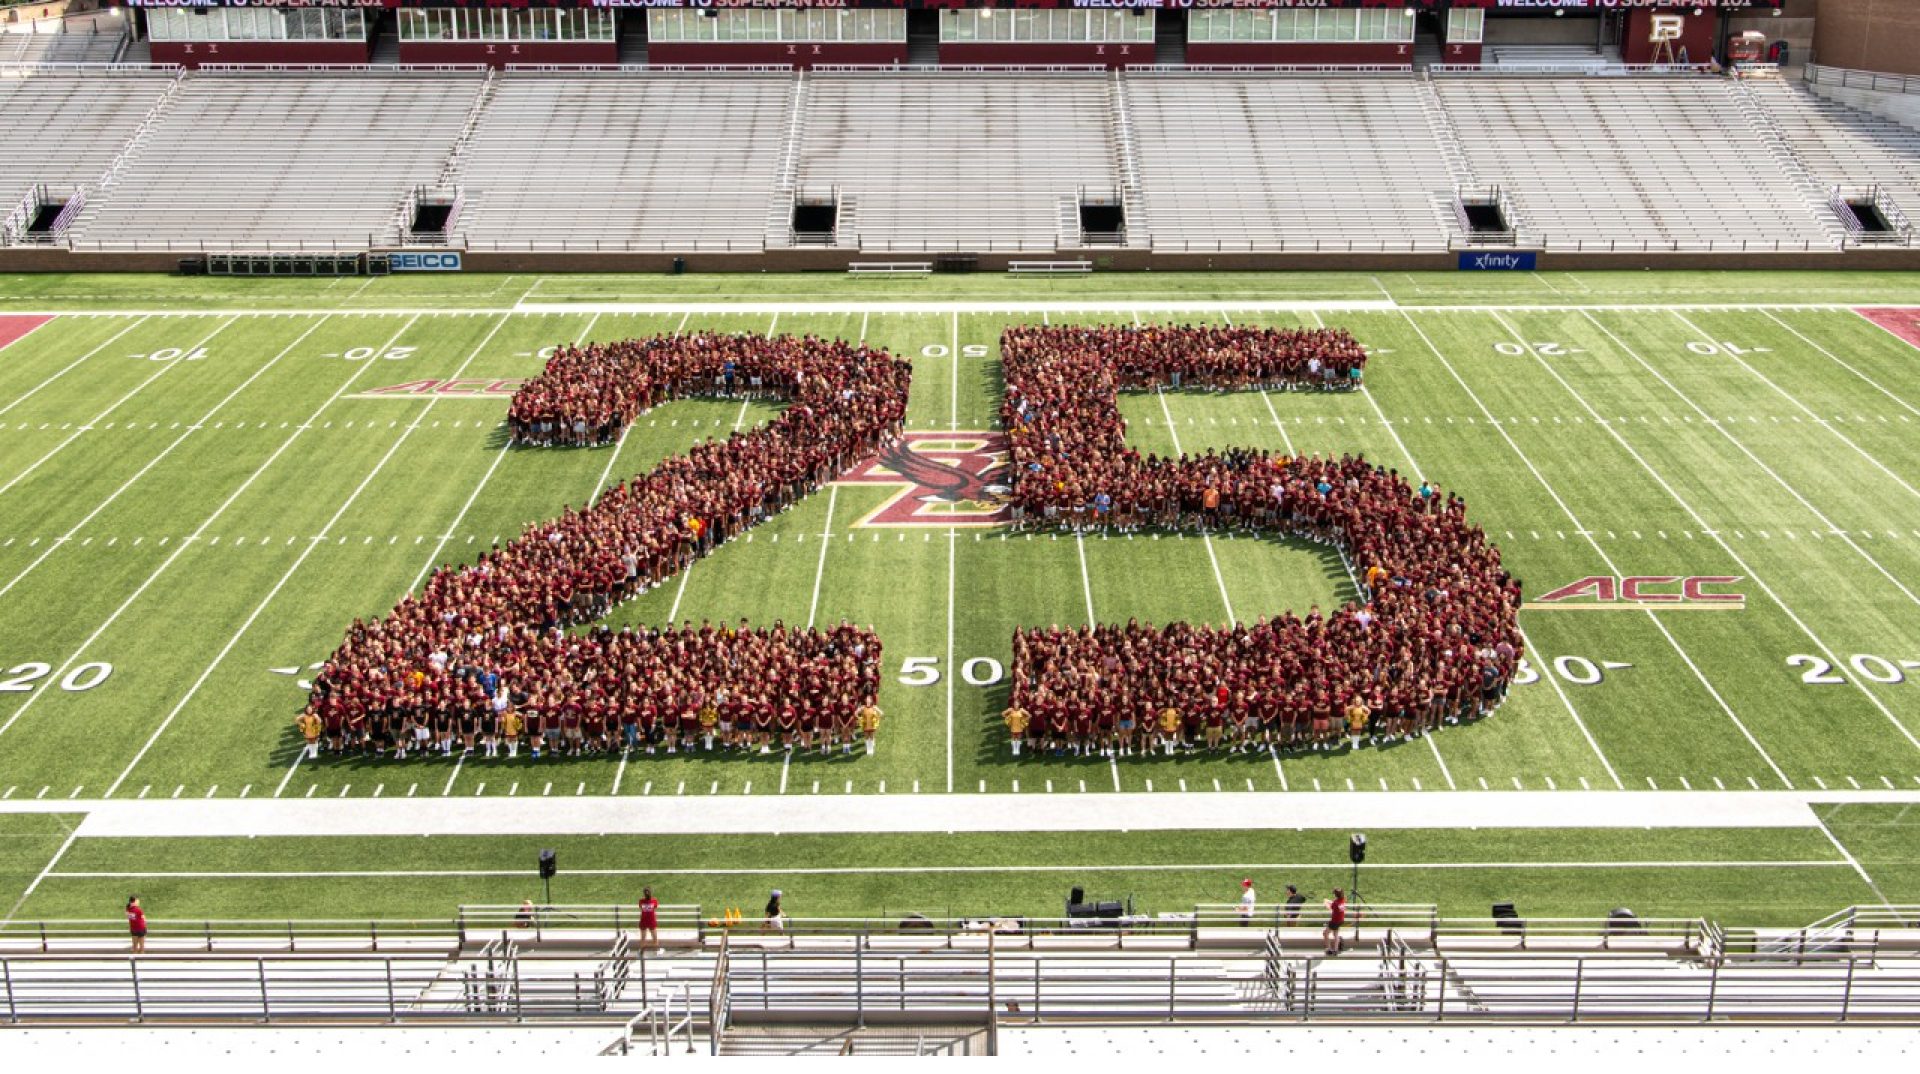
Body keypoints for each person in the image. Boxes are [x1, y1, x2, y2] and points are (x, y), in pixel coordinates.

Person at [1323, 888, 1347, 955]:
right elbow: (1334, 903)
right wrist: (1329, 901)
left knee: (1325, 933)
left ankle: (1329, 949)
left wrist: (1325, 903)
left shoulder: (1336, 903)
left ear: (1336, 895)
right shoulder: (1343, 899)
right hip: (1341, 920)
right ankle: (1335, 951)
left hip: (1334, 921)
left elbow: (1330, 907)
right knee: (1335, 934)